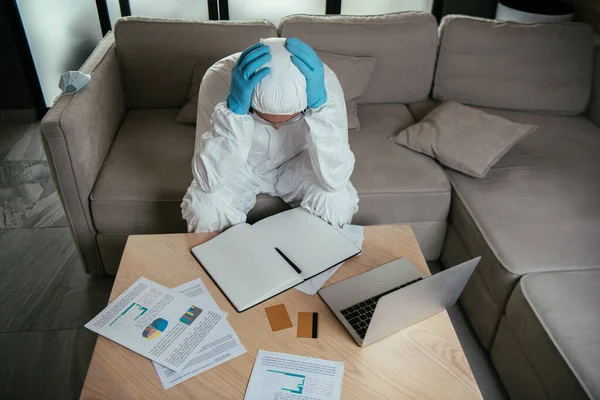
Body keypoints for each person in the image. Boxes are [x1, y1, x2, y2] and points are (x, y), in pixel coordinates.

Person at [181, 37, 358, 232]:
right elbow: (208, 181)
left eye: (291, 119)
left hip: (297, 161)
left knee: (337, 200)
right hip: (243, 165)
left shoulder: (326, 80)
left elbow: (337, 177)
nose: (277, 128)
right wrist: (234, 112)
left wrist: (320, 110)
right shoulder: (218, 77)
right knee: (204, 205)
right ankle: (223, 257)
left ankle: (312, 256)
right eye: (265, 120)